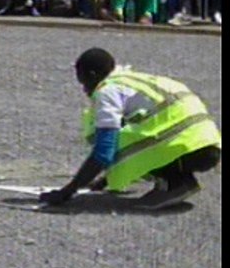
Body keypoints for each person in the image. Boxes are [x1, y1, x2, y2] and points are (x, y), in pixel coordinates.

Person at [41, 48, 221, 211]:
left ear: (93, 75)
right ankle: (171, 179)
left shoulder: (107, 92)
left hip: (189, 149)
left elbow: (104, 152)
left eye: (84, 82)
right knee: (128, 129)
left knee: (106, 135)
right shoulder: (132, 80)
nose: (84, 89)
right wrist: (106, 179)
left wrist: (67, 191)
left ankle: (176, 183)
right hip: (206, 144)